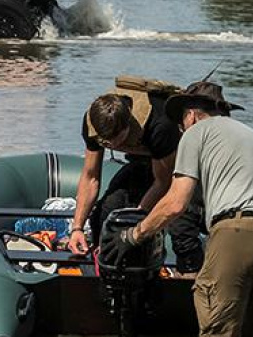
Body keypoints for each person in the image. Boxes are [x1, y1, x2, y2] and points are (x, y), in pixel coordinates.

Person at [104, 81, 253, 337]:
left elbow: (176, 202)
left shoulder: (196, 133)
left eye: (182, 121)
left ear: (191, 114)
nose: (181, 128)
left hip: (237, 232)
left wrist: (134, 234)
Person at [69, 75, 207, 273]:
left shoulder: (160, 124)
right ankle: (107, 271)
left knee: (181, 227)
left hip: (181, 167)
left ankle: (189, 273)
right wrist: (77, 228)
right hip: (143, 161)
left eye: (118, 139)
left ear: (129, 125)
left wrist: (135, 226)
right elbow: (90, 177)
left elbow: (163, 182)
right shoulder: (92, 123)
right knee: (106, 211)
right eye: (106, 143)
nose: (114, 146)